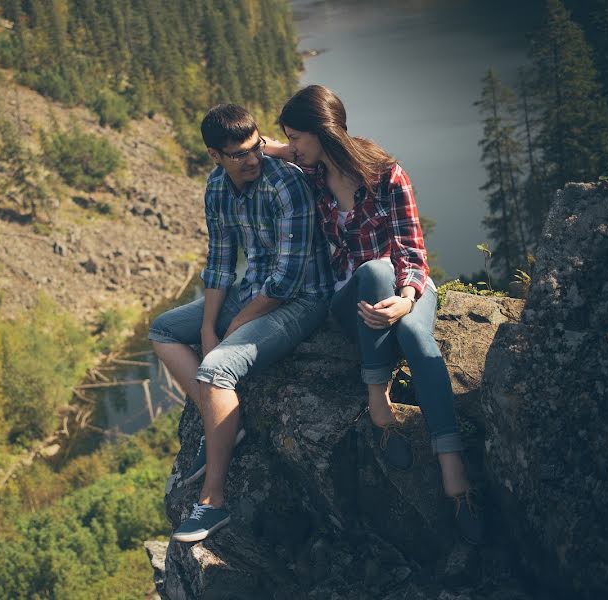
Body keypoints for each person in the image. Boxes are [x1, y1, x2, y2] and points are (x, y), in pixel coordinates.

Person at [264, 85, 483, 544]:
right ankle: (380, 409)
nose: (294, 147)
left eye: (298, 138)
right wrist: (289, 146)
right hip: (353, 300)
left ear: (323, 134)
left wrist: (406, 298)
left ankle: (451, 464)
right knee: (371, 271)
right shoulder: (311, 175)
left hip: (405, 286)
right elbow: (264, 150)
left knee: (419, 337)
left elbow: (410, 247)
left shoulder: (385, 173)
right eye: (291, 140)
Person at [149, 104, 333, 543]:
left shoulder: (285, 183)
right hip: (252, 290)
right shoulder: (216, 187)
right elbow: (219, 263)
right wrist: (210, 326)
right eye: (238, 154)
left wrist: (231, 333)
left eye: (255, 147)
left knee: (217, 369)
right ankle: (224, 423)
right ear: (216, 156)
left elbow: (288, 280)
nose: (252, 159)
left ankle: (213, 503)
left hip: (303, 298)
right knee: (163, 330)